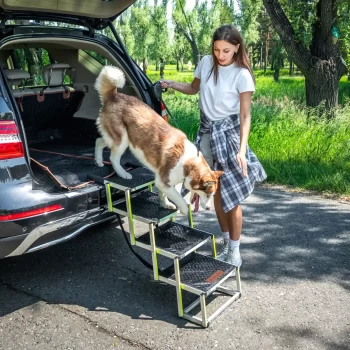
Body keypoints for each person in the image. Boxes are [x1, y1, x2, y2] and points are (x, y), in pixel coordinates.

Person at [160, 24, 267, 268]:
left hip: (229, 136)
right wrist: (172, 84)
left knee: (232, 196)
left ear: (237, 48)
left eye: (226, 51)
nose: (221, 55)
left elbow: (245, 116)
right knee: (214, 191)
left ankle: (235, 252)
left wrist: (241, 150)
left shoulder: (242, 75)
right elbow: (193, 88)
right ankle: (227, 243)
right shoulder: (207, 63)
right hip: (207, 132)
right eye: (217, 49)